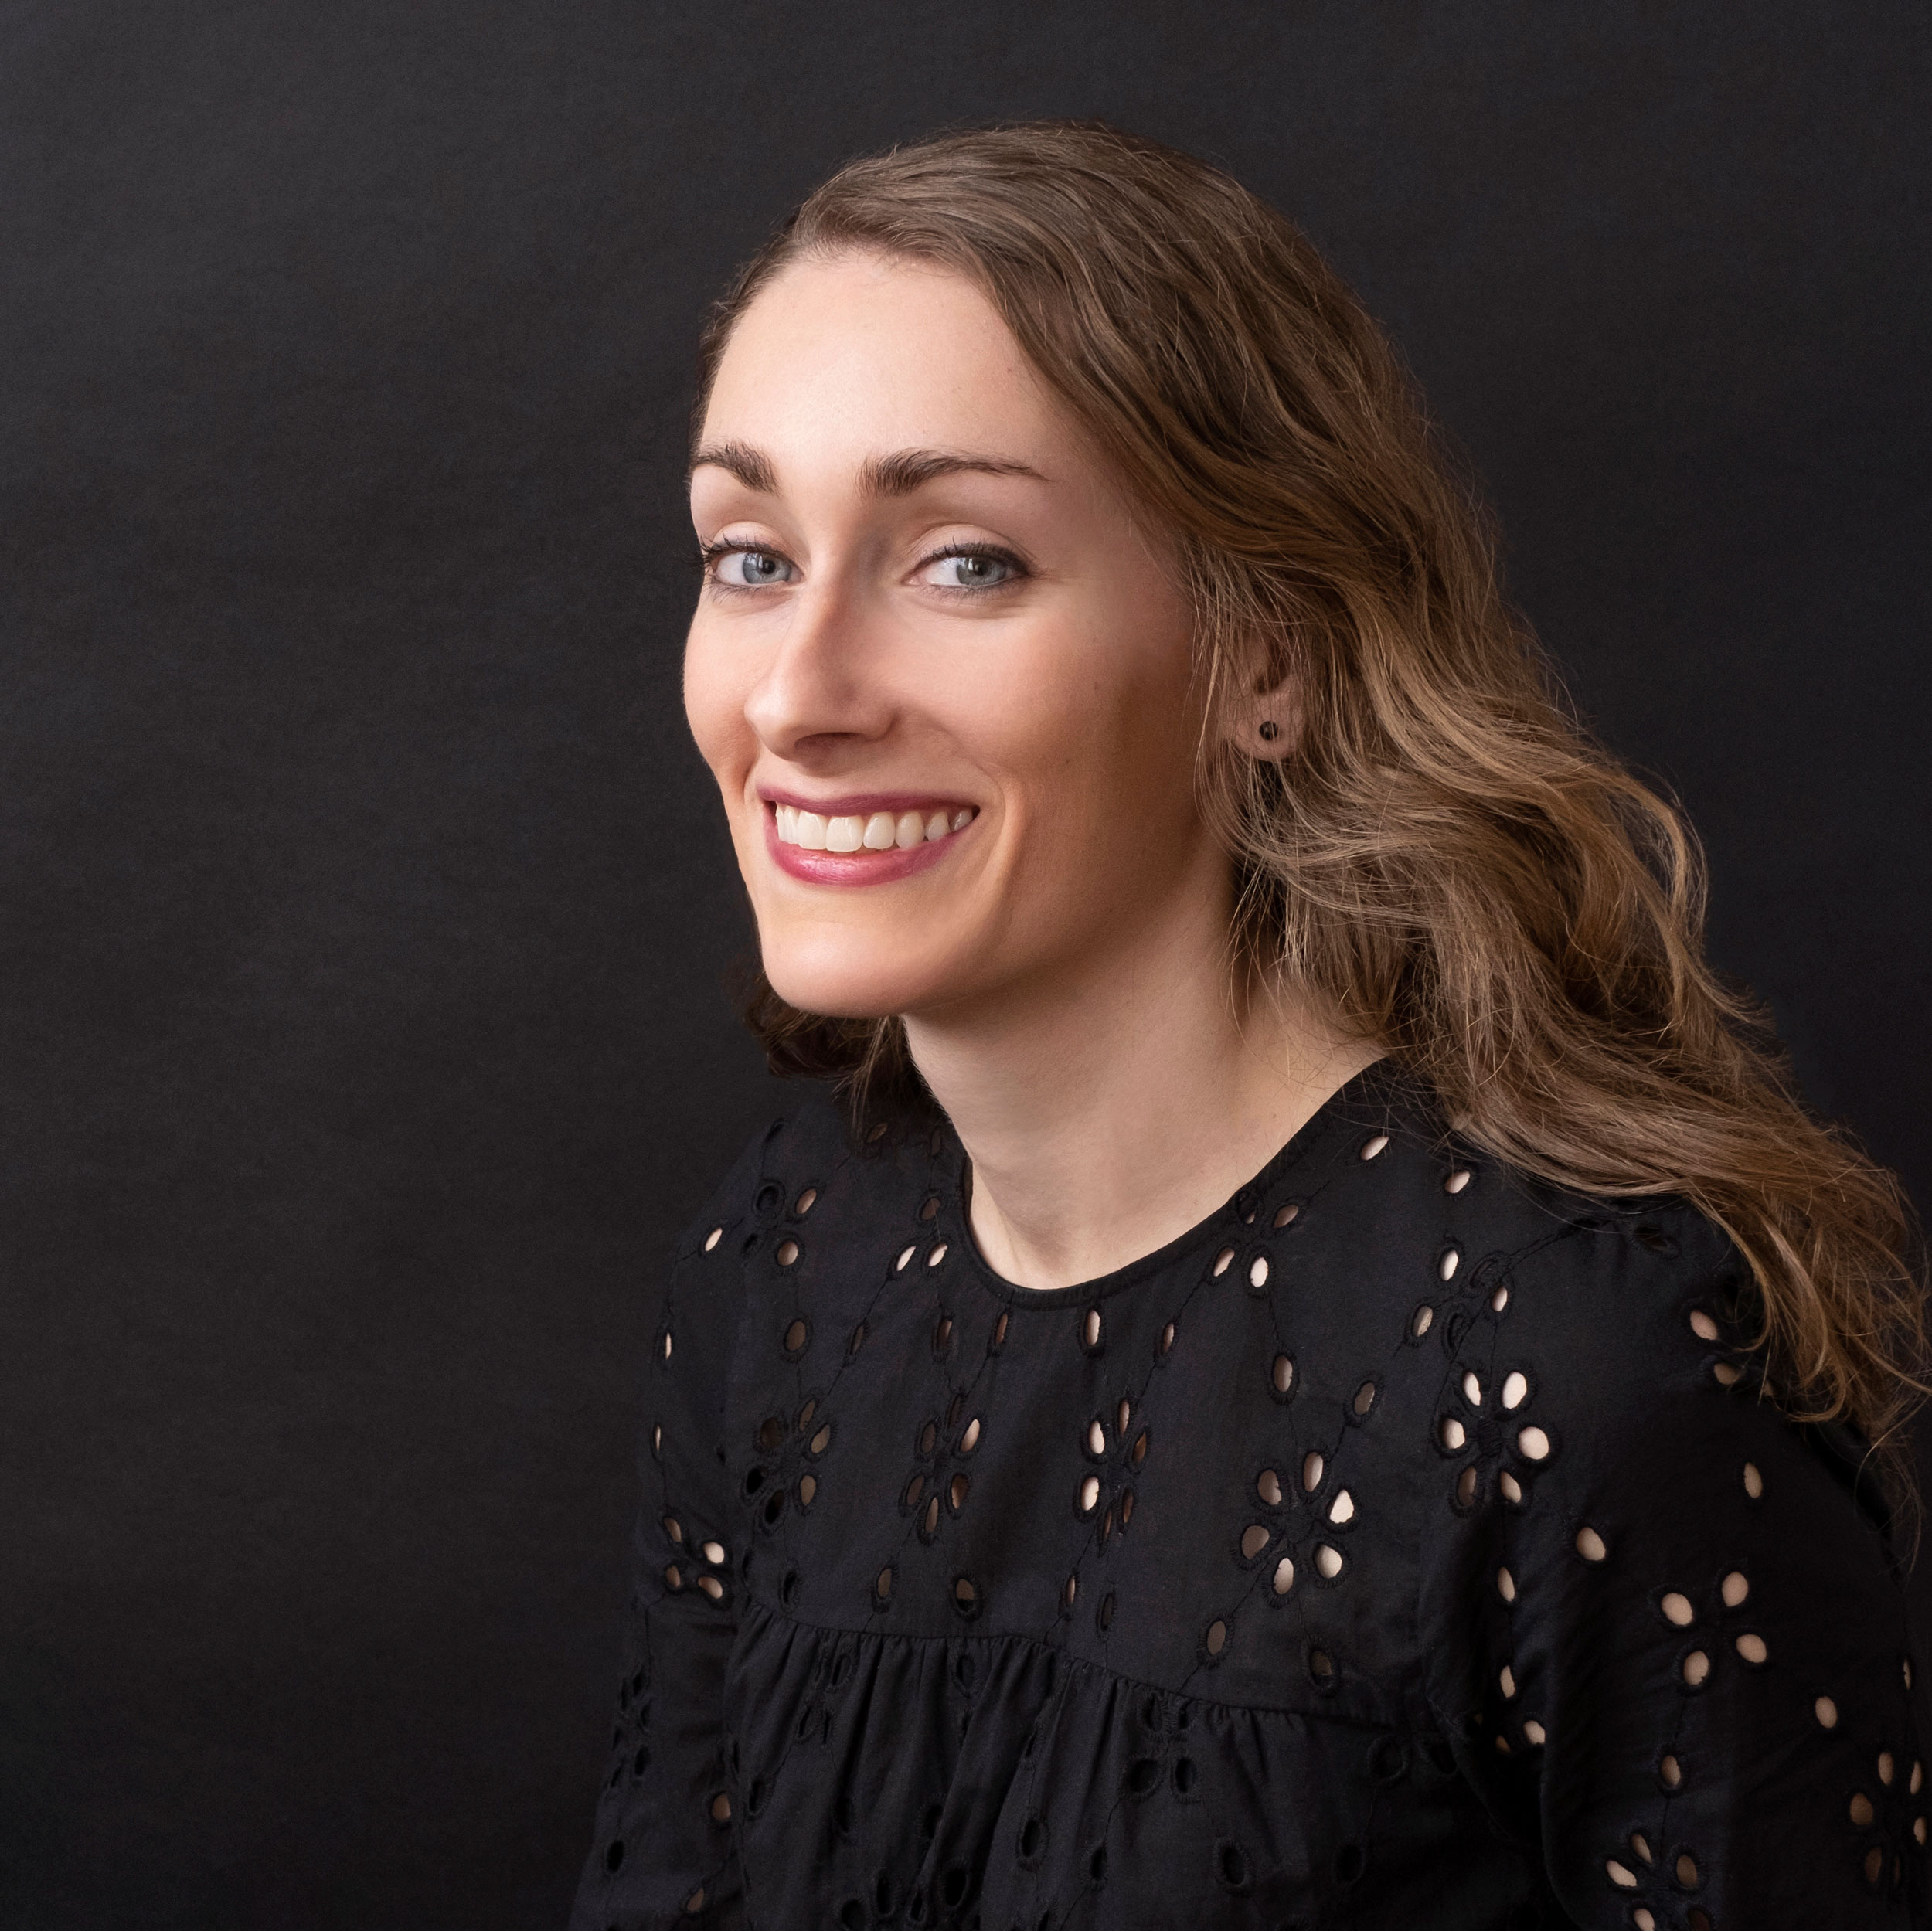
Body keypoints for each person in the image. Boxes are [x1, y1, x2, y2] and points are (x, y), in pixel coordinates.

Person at [569, 122, 1927, 1930]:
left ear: (1264, 659)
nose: (797, 695)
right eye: (748, 554)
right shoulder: (784, 1262)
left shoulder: (1586, 1373)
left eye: (961, 560)